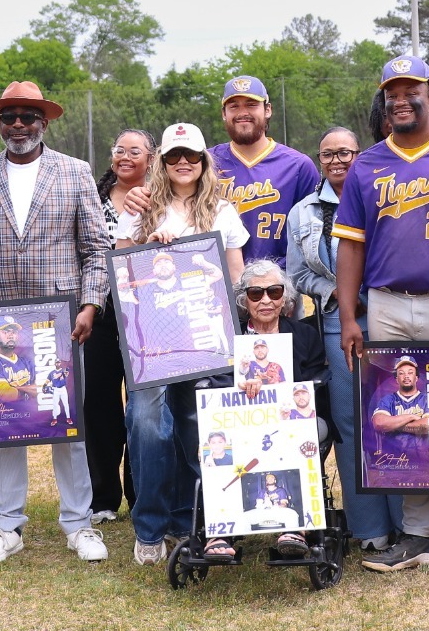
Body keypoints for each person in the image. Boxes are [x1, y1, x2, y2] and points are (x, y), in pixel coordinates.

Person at [333, 57, 429, 572]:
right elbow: (351, 247)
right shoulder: (367, 164)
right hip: (386, 303)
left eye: (412, 90)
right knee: (404, 416)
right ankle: (421, 535)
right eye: (392, 92)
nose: (401, 99)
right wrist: (350, 315)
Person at [0, 82, 112, 564]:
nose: (19, 125)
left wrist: (90, 305)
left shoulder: (75, 172)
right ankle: (6, 525)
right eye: (9, 117)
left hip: (59, 323)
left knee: (65, 420)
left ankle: (79, 523)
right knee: (4, 419)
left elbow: (95, 250)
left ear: (45, 121)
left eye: (28, 117)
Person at [118, 122, 249, 564]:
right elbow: (121, 270)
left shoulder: (223, 211)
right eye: (174, 156)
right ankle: (151, 528)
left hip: (206, 339)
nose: (183, 163)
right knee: (149, 426)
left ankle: (193, 522)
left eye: (191, 155)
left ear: (203, 160)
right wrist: (148, 248)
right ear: (162, 161)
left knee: (199, 430)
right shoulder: (141, 209)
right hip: (150, 343)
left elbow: (235, 279)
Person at [285, 126, 404, 551]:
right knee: (351, 426)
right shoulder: (302, 213)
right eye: (328, 155)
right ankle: (369, 529)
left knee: (394, 418)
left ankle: (407, 524)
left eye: (345, 153)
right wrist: (335, 291)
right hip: (338, 323)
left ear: (360, 155)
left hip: (389, 318)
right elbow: (296, 273)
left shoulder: (385, 198)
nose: (337, 161)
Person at [226, 260, 327, 561]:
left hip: (292, 421)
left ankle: (296, 527)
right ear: (244, 300)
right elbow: (217, 383)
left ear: (286, 297)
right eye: (256, 294)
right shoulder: (231, 338)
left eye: (274, 291)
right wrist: (239, 385)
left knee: (303, 432)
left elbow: (319, 380)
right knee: (215, 442)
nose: (266, 300)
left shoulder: (305, 336)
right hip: (243, 421)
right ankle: (221, 530)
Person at [81, 129, 154, 522]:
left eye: (135, 151)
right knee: (99, 405)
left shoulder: (161, 199)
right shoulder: (92, 198)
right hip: (101, 313)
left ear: (152, 158)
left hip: (148, 314)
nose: (125, 156)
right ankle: (102, 497)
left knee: (144, 407)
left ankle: (142, 491)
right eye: (119, 149)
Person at [209, 76, 321, 265]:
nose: (242, 113)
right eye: (234, 106)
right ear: (224, 113)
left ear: (267, 110)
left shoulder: (299, 166)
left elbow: (313, 236)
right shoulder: (205, 163)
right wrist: (140, 193)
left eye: (251, 104)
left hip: (281, 286)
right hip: (217, 284)